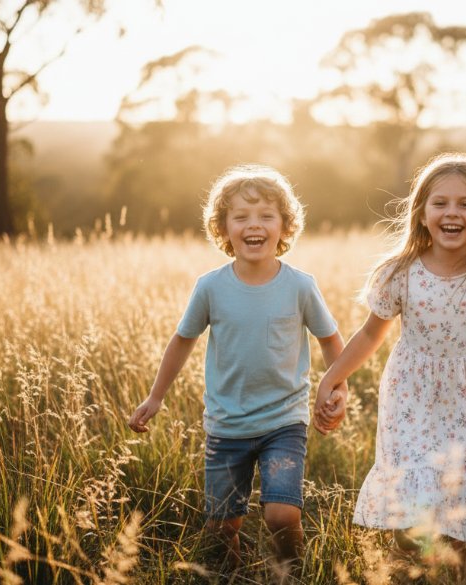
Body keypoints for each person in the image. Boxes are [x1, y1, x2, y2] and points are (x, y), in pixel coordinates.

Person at [315, 152, 466, 583]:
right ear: (422, 213)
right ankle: (410, 570)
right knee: (413, 510)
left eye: (465, 204)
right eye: (440, 203)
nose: (452, 212)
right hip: (414, 399)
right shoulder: (400, 272)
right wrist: (333, 377)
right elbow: (371, 335)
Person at [128, 164, 347, 573]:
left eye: (266, 216)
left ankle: (290, 575)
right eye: (241, 217)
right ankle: (234, 574)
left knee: (282, 516)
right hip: (226, 425)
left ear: (284, 227)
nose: (254, 225)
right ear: (223, 228)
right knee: (221, 526)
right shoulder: (210, 287)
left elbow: (331, 339)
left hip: (285, 420)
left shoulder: (300, 285)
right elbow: (183, 340)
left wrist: (338, 389)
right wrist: (156, 396)